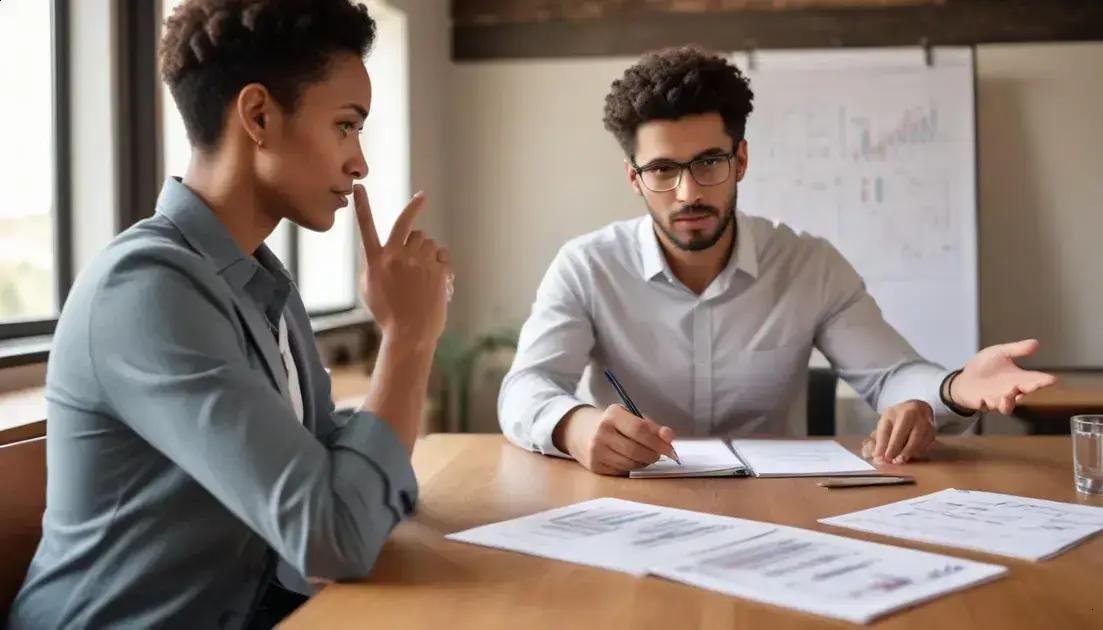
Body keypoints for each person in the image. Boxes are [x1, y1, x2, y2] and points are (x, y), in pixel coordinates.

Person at [8, 1, 451, 627]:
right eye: (346, 126)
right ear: (259, 115)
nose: (360, 163)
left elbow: (333, 471)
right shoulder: (147, 290)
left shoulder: (261, 282)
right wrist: (408, 337)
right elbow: (335, 537)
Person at [498, 46, 1055, 476]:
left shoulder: (808, 264)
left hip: (776, 502)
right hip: (632, 499)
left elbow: (890, 375)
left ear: (740, 159)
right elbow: (527, 387)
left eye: (709, 161)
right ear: (635, 179)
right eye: (663, 170)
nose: (688, 191)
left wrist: (953, 388)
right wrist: (572, 425)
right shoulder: (586, 266)